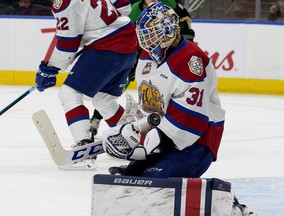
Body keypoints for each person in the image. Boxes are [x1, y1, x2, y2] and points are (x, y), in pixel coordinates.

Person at [102, 2, 225, 178]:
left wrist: (148, 146)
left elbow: (192, 121)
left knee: (155, 182)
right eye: (144, 36)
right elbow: (153, 107)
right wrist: (136, 128)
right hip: (164, 136)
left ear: (167, 31)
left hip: (198, 141)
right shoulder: (147, 56)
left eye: (150, 35)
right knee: (130, 178)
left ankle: (221, 203)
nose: (145, 42)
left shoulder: (191, 61)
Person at [35, 0, 138, 149]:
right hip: (129, 41)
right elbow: (123, 5)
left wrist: (49, 71)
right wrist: (96, 30)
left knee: (69, 93)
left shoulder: (65, 3)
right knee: (103, 98)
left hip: (108, 47)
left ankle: (84, 144)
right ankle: (132, 138)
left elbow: (67, 46)